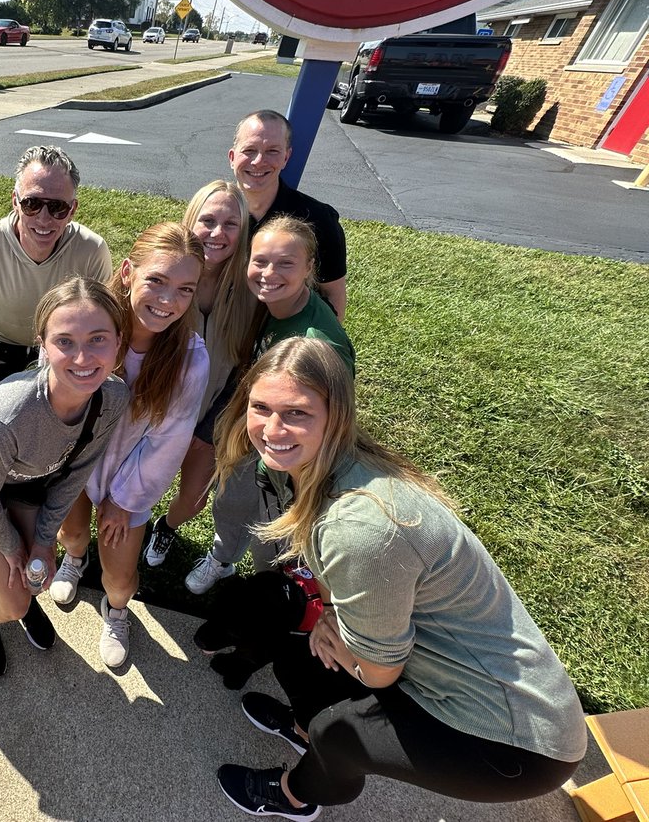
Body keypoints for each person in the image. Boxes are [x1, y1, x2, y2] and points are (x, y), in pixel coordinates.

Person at [212, 337, 586, 820]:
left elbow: (381, 672)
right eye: (260, 407)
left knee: (339, 731)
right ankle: (306, 732)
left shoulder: (361, 527)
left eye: (297, 413)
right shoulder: (318, 465)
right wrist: (329, 617)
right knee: (302, 653)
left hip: (516, 743)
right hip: (447, 673)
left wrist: (344, 642)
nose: (271, 429)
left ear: (336, 417)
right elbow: (330, 580)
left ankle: (296, 794)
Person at [0, 277, 129, 678]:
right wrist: (13, 547)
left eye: (98, 339)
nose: (83, 358)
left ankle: (21, 599)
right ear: (42, 344)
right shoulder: (4, 417)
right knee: (13, 601)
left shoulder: (113, 397)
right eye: (65, 341)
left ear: (118, 341)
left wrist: (43, 540)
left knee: (33, 573)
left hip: (28, 483)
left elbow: (75, 473)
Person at [49, 223, 208, 667]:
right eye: (156, 280)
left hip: (129, 475)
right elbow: (51, 389)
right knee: (71, 533)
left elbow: (168, 441)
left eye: (185, 289)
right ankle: (74, 559)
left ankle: (117, 611)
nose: (168, 301)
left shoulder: (190, 358)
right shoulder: (86, 322)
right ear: (126, 272)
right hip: (71, 460)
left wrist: (122, 500)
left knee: (119, 577)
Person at [185, 214, 355, 596]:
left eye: (285, 263)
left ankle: (274, 594)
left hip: (290, 458)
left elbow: (334, 420)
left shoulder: (317, 343)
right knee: (230, 501)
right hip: (255, 434)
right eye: (260, 260)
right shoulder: (273, 304)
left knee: (273, 538)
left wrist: (290, 467)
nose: (269, 273)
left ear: (310, 267)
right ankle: (222, 558)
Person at [0, 145, 112, 439]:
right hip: (0, 342)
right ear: (15, 201)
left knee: (60, 427)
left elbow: (105, 323)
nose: (44, 219)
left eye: (57, 207)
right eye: (32, 204)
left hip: (64, 349)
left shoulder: (92, 249)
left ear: (73, 209)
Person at [142, 181, 256, 571]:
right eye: (207, 221)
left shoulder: (251, 287)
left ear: (243, 231)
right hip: (154, 408)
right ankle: (131, 522)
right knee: (132, 483)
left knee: (193, 499)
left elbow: (246, 367)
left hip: (210, 416)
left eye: (230, 224)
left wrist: (208, 427)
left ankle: (166, 526)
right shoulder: (164, 277)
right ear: (190, 221)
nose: (217, 233)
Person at [229, 110, 347, 319]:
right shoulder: (213, 216)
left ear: (286, 157)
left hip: (288, 331)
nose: (258, 161)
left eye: (272, 151)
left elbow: (332, 294)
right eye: (249, 150)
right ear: (232, 157)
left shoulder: (318, 219)